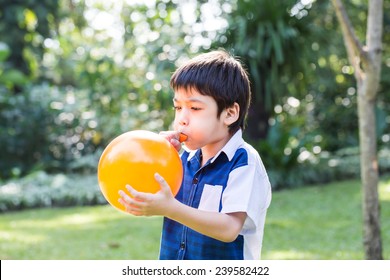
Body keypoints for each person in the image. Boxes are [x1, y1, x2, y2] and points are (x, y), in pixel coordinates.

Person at [118, 50, 272, 260]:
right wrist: (159, 156)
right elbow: (156, 195)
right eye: (178, 107)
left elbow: (229, 228)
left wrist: (171, 209)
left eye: (195, 108)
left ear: (229, 113)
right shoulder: (182, 160)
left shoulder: (243, 162)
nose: (182, 118)